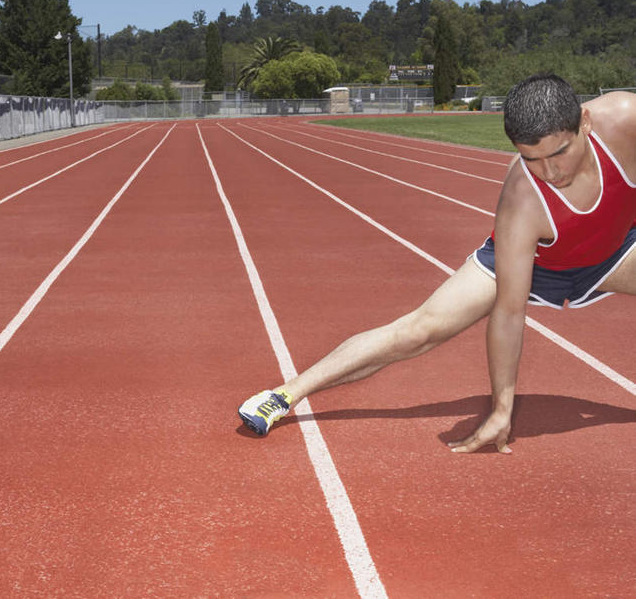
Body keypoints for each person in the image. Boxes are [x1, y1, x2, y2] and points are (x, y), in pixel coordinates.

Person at [238, 74, 636, 453]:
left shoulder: (624, 118)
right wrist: (502, 408)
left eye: (559, 153)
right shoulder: (523, 197)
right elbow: (510, 312)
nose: (550, 172)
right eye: (532, 159)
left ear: (585, 121)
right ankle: (283, 395)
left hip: (614, 252)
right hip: (534, 261)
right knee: (419, 331)